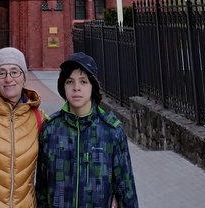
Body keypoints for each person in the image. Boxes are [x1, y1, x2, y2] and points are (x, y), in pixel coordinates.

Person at [36, 52, 138, 208]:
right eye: (70, 82)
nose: (76, 88)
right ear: (63, 86)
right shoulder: (50, 130)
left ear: (93, 86)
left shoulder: (111, 131)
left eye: (83, 82)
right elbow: (42, 189)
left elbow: (126, 188)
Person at [0, 46, 47, 207]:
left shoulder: (39, 118)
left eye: (14, 71)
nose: (8, 78)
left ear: (24, 77)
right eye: (2, 72)